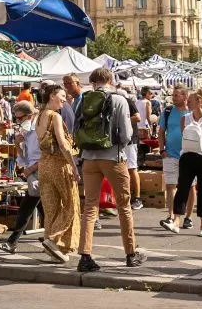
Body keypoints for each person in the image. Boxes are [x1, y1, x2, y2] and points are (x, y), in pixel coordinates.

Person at [75, 67, 146, 272]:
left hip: (89, 158)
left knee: (90, 207)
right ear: (110, 80)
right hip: (113, 157)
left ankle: (85, 255)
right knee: (123, 205)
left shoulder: (84, 100)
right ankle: (131, 253)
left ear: (93, 81)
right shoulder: (119, 100)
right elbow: (126, 133)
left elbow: (76, 129)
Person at [163, 87, 202, 237]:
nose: (187, 103)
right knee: (182, 188)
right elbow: (185, 138)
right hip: (187, 156)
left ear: (200, 101)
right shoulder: (185, 118)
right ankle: (176, 221)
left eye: (190, 100)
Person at [35, 85, 79, 262]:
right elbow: (63, 145)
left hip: (43, 165)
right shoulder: (56, 116)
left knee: (51, 208)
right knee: (70, 204)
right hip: (59, 165)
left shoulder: (39, 116)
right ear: (52, 96)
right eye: (61, 96)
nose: (64, 99)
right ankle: (53, 239)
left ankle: (53, 249)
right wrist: (74, 168)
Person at [0, 100, 43, 253]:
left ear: (30, 115)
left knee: (27, 207)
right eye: (16, 119)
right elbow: (24, 157)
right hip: (33, 173)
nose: (18, 122)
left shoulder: (38, 129)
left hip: (39, 172)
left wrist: (31, 169)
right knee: (39, 207)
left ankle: (13, 241)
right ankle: (50, 239)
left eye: (20, 118)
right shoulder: (27, 132)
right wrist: (18, 144)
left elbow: (45, 155)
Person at [159, 84, 194, 230]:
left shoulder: (191, 112)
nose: (173, 98)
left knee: (191, 186)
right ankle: (172, 215)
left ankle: (188, 217)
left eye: (176, 95)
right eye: (173, 95)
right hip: (170, 154)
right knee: (170, 185)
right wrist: (162, 150)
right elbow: (161, 131)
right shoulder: (167, 111)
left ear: (185, 97)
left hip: (188, 154)